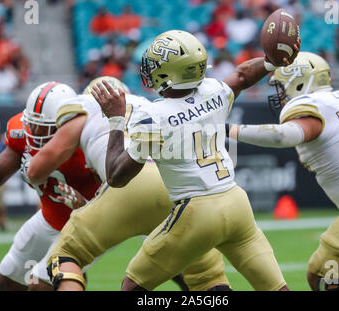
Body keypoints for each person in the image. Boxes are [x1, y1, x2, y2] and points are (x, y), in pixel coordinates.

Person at [90, 29, 299, 291]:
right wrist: (270, 62)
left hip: (196, 211)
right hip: (236, 203)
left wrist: (116, 120)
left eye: (155, 66)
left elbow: (115, 177)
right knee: (276, 288)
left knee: (132, 287)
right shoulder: (214, 91)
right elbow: (243, 75)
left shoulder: (153, 115)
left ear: (170, 73)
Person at [27, 76, 231, 291]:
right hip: (181, 188)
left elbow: (35, 172)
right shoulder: (151, 106)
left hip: (130, 190)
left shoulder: (84, 109)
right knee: (205, 278)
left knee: (59, 262)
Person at [226, 52, 339, 291]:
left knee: (323, 274)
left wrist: (229, 130)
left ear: (299, 81)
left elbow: (286, 135)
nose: (279, 94)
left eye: (281, 86)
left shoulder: (310, 106)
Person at [0, 82, 102, 291]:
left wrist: (84, 205)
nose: (35, 131)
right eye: (32, 123)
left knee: (41, 283)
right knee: (9, 278)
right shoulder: (23, 134)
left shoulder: (89, 142)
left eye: (44, 126)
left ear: (65, 123)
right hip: (50, 219)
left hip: (90, 225)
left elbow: (119, 194)